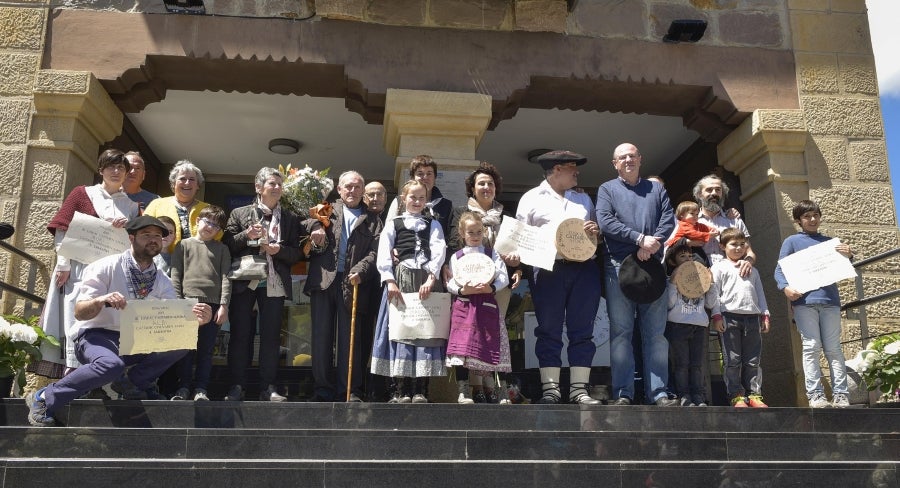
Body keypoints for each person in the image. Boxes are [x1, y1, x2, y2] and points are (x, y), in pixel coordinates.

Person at [26, 216, 213, 427]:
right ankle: (44, 398)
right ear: (131, 238)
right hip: (96, 336)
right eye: (146, 235)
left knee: (182, 341)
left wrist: (195, 320)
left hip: (135, 339)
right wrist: (101, 300)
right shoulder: (105, 266)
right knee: (110, 364)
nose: (153, 240)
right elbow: (79, 312)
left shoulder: (162, 279)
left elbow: (171, 321)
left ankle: (131, 382)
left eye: (158, 236)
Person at [39, 149, 140, 377]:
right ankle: (71, 372)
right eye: (110, 167)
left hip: (111, 274)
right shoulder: (82, 193)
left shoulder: (132, 207)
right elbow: (62, 229)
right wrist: (63, 263)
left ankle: (97, 378)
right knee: (74, 316)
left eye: (121, 168)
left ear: (126, 173)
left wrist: (127, 229)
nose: (115, 171)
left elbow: (136, 245)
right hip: (77, 269)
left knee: (103, 320)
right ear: (101, 170)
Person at [517, 150, 602, 405]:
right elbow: (520, 237)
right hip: (547, 270)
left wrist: (595, 230)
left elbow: (596, 235)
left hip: (584, 269)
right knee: (549, 330)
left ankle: (579, 390)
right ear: (555, 170)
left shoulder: (584, 199)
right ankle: (550, 390)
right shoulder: (530, 198)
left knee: (583, 329)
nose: (577, 172)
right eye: (571, 167)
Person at [596, 143, 677, 406]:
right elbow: (606, 222)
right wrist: (639, 239)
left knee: (656, 334)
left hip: (652, 265)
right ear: (615, 163)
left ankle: (659, 392)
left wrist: (651, 244)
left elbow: (667, 220)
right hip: (618, 265)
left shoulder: (657, 189)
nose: (628, 160)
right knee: (621, 333)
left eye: (632, 156)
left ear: (640, 159)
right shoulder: (607, 189)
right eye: (622, 157)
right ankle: (623, 393)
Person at [223, 167, 303, 402]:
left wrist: (278, 250)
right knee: (240, 335)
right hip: (245, 282)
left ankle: (268, 387)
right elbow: (227, 245)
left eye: (279, 184)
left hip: (274, 283)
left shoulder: (289, 218)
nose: (277, 187)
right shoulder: (240, 213)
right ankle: (236, 385)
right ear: (258, 188)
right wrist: (246, 235)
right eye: (272, 183)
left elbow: (297, 254)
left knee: (270, 337)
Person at [446, 162, 522, 403]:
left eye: (490, 183)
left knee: (491, 335)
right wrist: (461, 287)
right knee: (468, 337)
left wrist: (516, 267)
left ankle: (494, 387)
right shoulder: (460, 214)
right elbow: (451, 253)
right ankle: (472, 388)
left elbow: (517, 248)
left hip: (493, 290)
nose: (486, 187)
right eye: (481, 183)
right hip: (466, 291)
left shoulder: (506, 216)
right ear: (472, 188)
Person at [303, 171, 382, 402]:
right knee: (321, 338)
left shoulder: (374, 219)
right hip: (324, 281)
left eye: (357, 187)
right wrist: (315, 226)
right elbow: (304, 221)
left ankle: (350, 390)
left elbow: (376, 252)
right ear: (339, 189)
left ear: (363, 191)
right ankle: (322, 390)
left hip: (353, 282)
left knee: (351, 339)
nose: (352, 191)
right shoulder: (325, 208)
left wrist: (362, 270)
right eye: (348, 186)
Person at [371, 180, 447, 403]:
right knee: (401, 329)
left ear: (426, 200)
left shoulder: (433, 224)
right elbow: (384, 252)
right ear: (404, 199)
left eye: (421, 198)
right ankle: (400, 389)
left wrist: (432, 276)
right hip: (401, 279)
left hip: (425, 280)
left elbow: (439, 249)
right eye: (412, 197)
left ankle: (421, 388)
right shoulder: (394, 223)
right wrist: (389, 280)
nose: (417, 201)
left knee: (425, 330)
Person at [774, 200, 853, 408]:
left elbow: (844, 268)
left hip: (830, 302)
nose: (812, 219)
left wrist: (849, 255)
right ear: (799, 220)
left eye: (815, 215)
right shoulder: (792, 241)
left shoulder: (831, 242)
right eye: (807, 216)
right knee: (811, 346)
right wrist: (785, 288)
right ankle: (815, 395)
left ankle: (841, 395)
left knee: (834, 348)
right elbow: (779, 271)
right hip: (805, 303)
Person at [445, 212, 511, 403]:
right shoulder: (456, 257)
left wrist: (491, 287)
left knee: (496, 343)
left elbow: (503, 277)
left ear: (484, 232)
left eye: (478, 231)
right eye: (470, 232)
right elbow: (450, 281)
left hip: (487, 304)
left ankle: (502, 391)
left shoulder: (492, 254)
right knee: (462, 348)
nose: (475, 236)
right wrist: (461, 290)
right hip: (464, 305)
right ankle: (463, 390)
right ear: (462, 233)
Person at [169, 205, 231, 402]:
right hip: (187, 304)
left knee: (205, 350)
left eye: (216, 225)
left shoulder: (222, 249)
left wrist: (224, 305)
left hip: (212, 306)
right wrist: (178, 303)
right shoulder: (183, 245)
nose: (210, 227)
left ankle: (201, 389)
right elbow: (175, 275)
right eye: (207, 221)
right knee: (185, 348)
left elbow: (226, 277)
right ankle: (183, 387)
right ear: (197, 221)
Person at [711, 228, 770, 408]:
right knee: (733, 359)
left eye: (742, 244)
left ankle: (754, 394)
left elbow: (759, 293)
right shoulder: (719, 267)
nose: (738, 248)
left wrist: (765, 314)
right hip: (730, 316)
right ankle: (736, 395)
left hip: (752, 317)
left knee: (753, 359)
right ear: (722, 246)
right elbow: (714, 293)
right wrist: (717, 315)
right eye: (733, 244)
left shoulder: (753, 270)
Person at [664, 243, 721, 407]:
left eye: (690, 256)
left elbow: (710, 303)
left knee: (697, 364)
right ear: (673, 262)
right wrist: (674, 283)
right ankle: (684, 395)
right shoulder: (670, 280)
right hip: (678, 325)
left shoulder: (700, 280)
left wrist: (710, 284)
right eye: (683, 257)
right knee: (681, 364)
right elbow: (669, 304)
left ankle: (698, 395)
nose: (688, 259)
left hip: (699, 326)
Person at [144, 160, 219, 255]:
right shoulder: (157, 204)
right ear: (173, 184)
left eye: (192, 179)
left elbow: (218, 236)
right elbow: (144, 231)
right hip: (161, 263)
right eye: (182, 179)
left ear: (198, 185)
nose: (187, 183)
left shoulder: (208, 209)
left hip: (197, 263)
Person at [693, 175, 756, 275]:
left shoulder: (734, 220)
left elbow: (749, 252)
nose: (714, 193)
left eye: (718, 190)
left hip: (733, 275)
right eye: (709, 190)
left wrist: (748, 262)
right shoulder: (692, 222)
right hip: (701, 278)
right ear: (699, 194)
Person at [385, 155, 453, 239]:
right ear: (413, 177)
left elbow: (450, 236)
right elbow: (388, 232)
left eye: (429, 174)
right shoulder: (399, 201)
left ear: (435, 177)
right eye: (420, 174)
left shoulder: (446, 205)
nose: (425, 177)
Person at [665, 201, 718, 265]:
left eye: (697, 214)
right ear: (682, 215)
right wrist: (708, 235)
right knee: (698, 262)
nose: (695, 216)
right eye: (692, 214)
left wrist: (712, 229)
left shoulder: (695, 224)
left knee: (703, 260)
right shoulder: (683, 224)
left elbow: (703, 227)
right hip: (679, 249)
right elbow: (694, 234)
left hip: (691, 248)